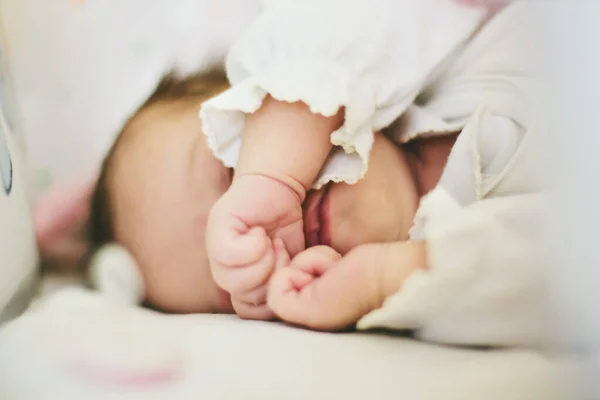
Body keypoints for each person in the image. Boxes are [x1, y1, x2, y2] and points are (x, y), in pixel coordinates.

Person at [91, 0, 545, 347]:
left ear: (255, 90)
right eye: (232, 282)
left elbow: (333, 26)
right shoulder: (442, 291)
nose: (254, 237)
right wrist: (384, 280)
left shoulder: (435, 56)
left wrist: (268, 177)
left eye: (229, 169)